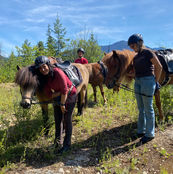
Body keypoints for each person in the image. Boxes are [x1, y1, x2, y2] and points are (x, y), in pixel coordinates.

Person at [34, 56, 77, 153]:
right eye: (40, 68)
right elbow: (49, 94)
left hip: (70, 95)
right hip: (60, 95)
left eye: (44, 66)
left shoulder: (58, 72)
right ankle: (57, 143)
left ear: (48, 65)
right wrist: (59, 93)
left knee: (67, 119)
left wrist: (62, 104)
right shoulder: (44, 78)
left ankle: (67, 145)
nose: (43, 69)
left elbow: (65, 91)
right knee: (57, 120)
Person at [127, 34, 162, 144]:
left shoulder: (148, 52)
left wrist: (155, 82)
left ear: (139, 43)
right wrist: (131, 75)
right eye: (130, 46)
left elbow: (159, 67)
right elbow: (137, 71)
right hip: (138, 82)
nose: (132, 48)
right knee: (141, 108)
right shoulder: (136, 56)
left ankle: (150, 134)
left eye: (133, 45)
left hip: (148, 81)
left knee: (148, 108)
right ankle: (141, 131)